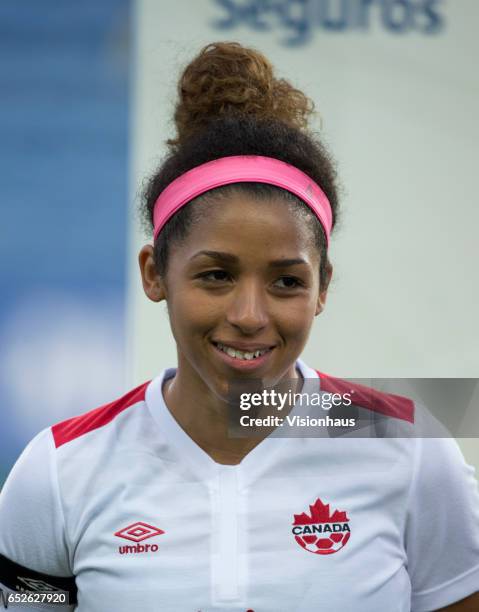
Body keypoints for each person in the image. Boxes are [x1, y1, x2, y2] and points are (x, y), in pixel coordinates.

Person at [1, 41, 478, 612]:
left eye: (286, 282)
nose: (249, 316)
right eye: (217, 276)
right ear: (156, 274)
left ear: (322, 287)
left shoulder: (410, 450)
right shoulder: (59, 471)